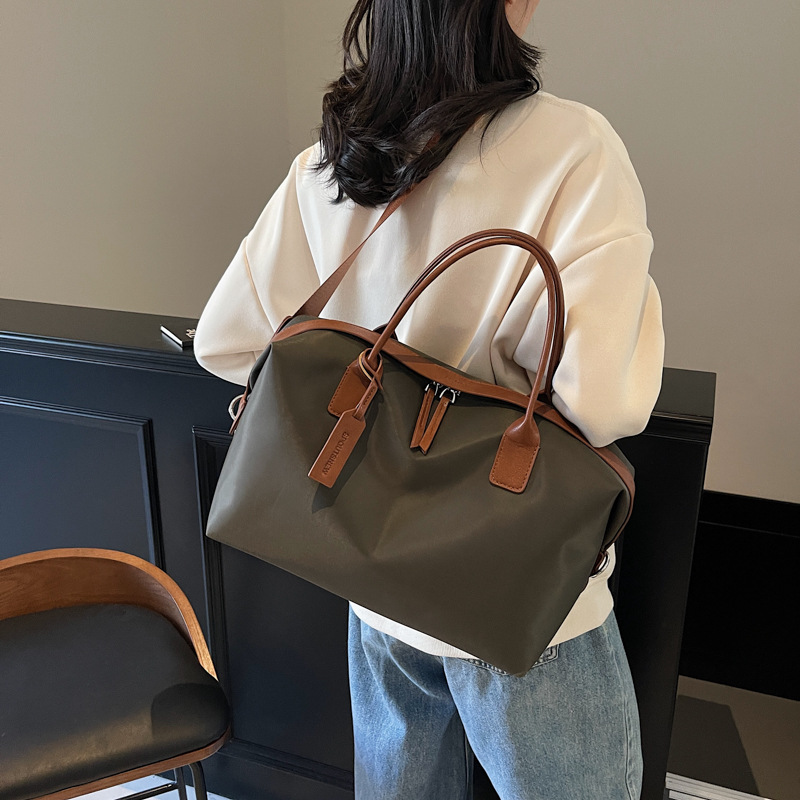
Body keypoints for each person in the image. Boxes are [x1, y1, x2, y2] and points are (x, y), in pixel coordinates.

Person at [194, 0, 664, 797]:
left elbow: (227, 342)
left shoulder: (335, 157)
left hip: (376, 589)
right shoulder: (576, 150)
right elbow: (606, 402)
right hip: (516, 597)